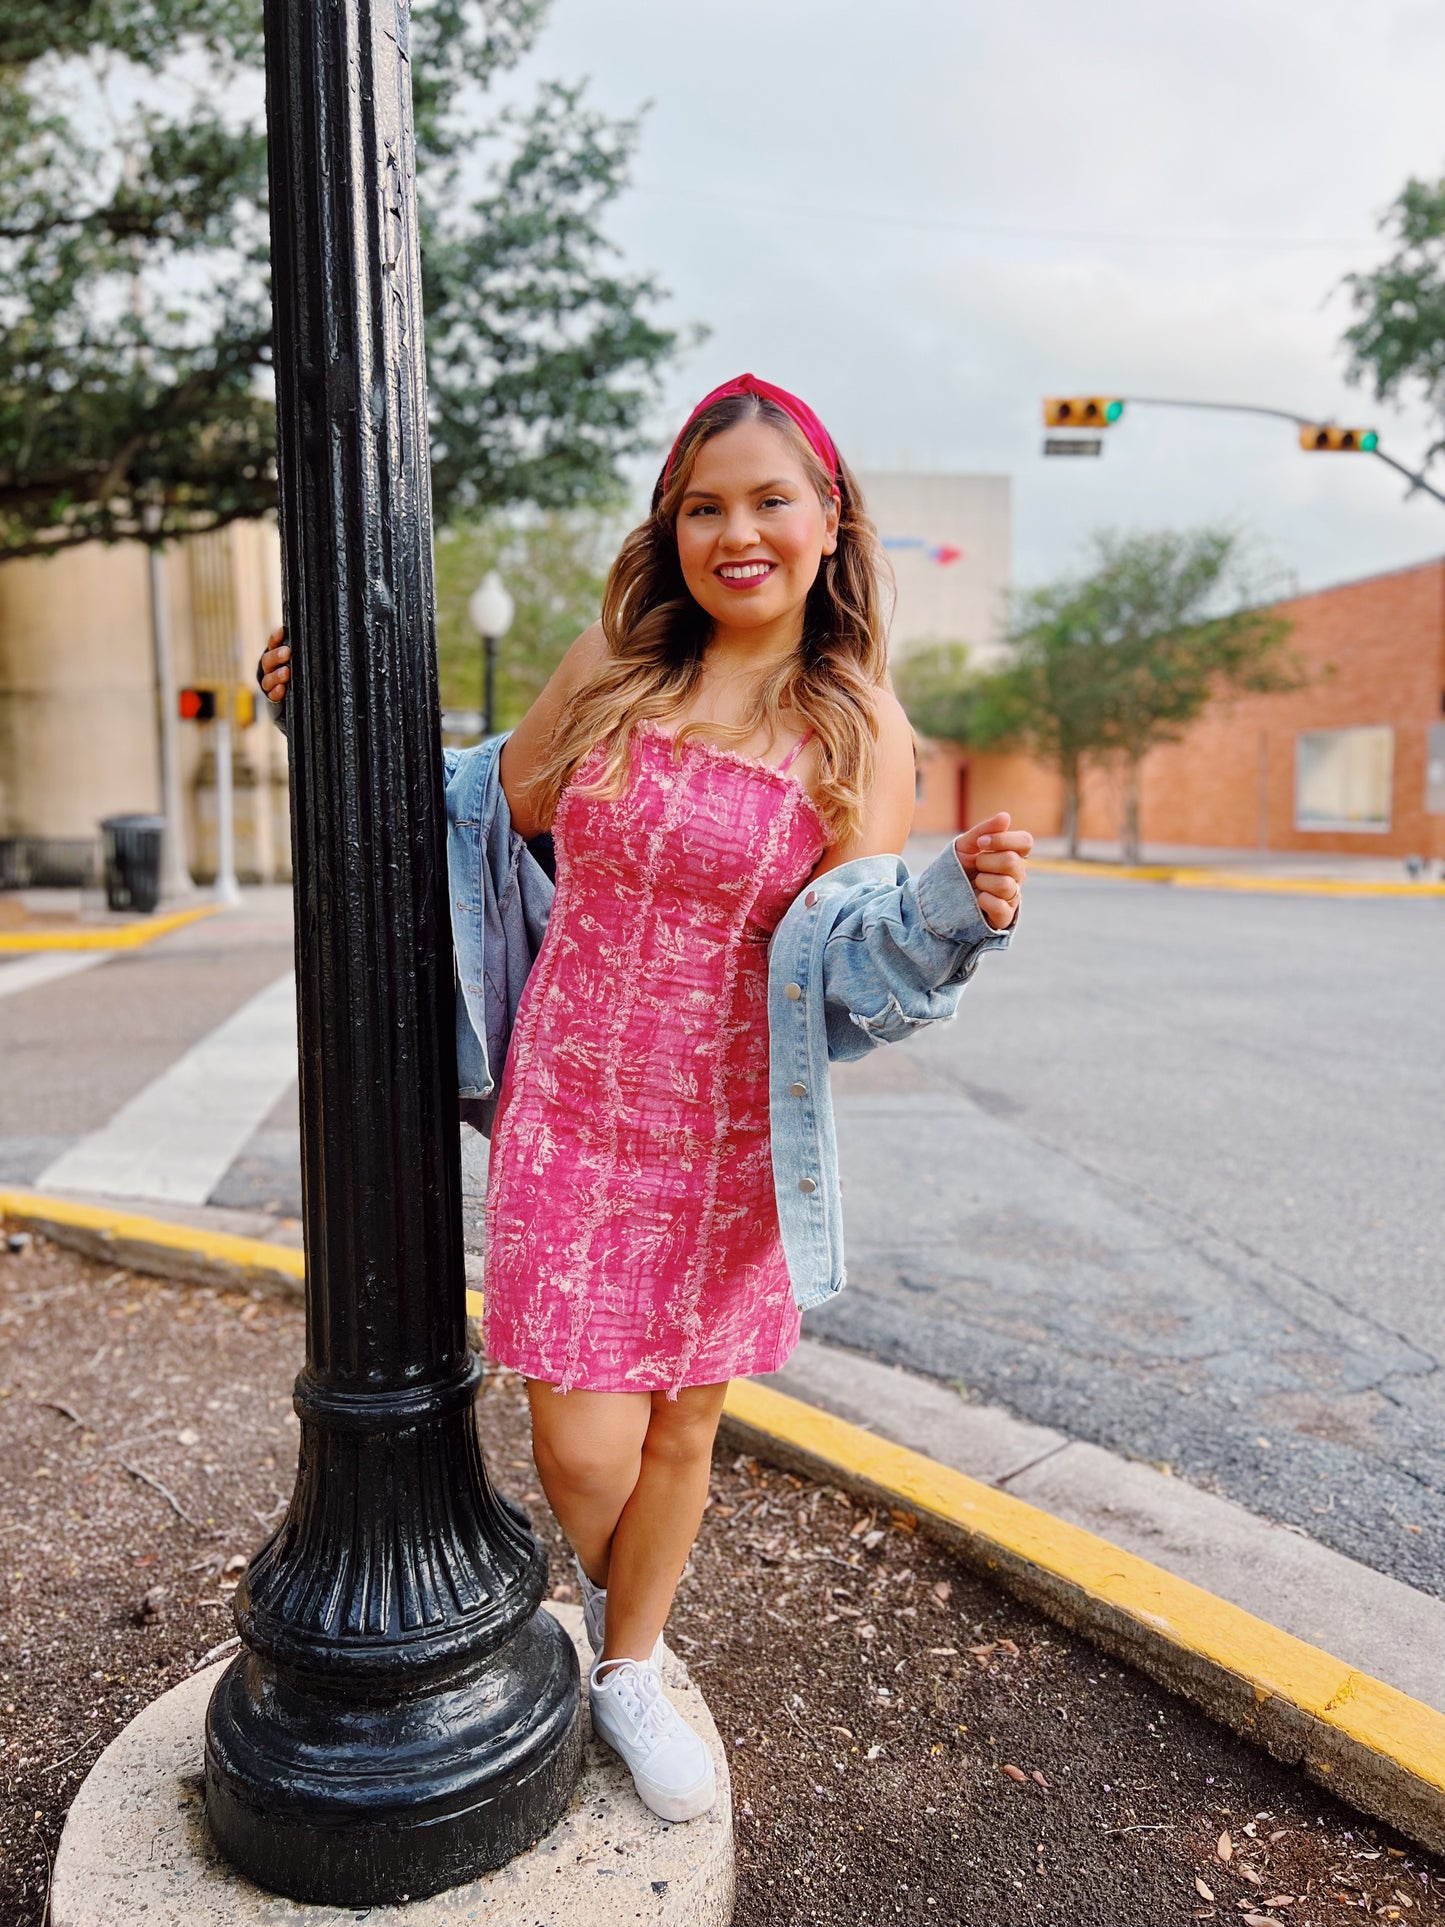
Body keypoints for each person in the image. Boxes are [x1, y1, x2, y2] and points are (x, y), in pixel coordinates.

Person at [257, 371, 1031, 1825]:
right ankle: (621, 1626)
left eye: (765, 502)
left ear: (825, 520)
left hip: (733, 1124)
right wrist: (337, 731)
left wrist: (954, 913)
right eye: (702, 506)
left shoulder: (859, 724)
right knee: (581, 1440)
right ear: (671, 528)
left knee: (684, 1425)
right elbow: (487, 806)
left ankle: (628, 1664)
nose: (735, 532)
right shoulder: (617, 659)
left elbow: (863, 954)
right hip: (570, 1108)